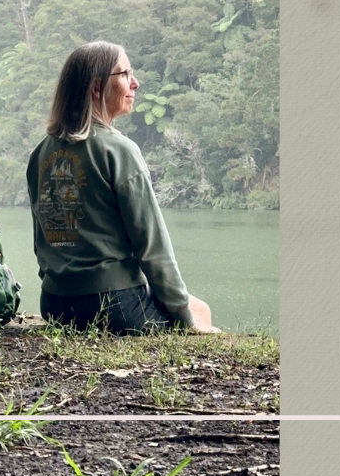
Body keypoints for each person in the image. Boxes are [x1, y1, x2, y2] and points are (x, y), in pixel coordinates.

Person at [26, 41, 218, 334]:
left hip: (54, 304)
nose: (135, 83)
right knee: (199, 311)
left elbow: (42, 243)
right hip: (114, 306)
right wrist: (185, 319)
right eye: (125, 74)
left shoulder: (40, 154)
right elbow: (153, 247)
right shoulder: (119, 150)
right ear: (96, 88)